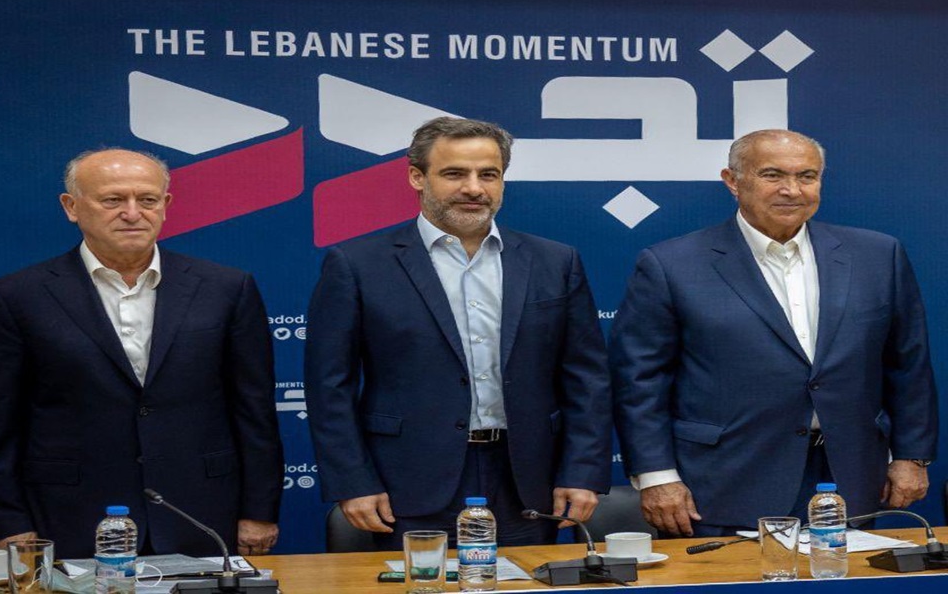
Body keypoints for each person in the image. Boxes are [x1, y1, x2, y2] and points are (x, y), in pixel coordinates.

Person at [609, 129, 938, 537]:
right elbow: (640, 381)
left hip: (851, 479)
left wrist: (911, 456)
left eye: (806, 176)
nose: (792, 190)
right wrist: (657, 476)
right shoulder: (671, 265)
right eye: (772, 175)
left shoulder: (877, 255)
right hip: (723, 484)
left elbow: (908, 365)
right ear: (732, 181)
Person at [305, 117, 612, 549]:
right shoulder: (358, 264)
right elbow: (329, 386)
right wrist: (352, 480)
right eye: (454, 174)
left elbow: (586, 379)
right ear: (417, 177)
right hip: (406, 483)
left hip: (527, 480)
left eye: (488, 174)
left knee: (526, 582)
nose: (474, 188)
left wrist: (582, 472)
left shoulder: (555, 261)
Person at [0, 149, 284, 558]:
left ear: (165, 205)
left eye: (147, 199)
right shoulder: (15, 297)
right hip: (67, 517)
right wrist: (7, 522)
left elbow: (254, 412)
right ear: (71, 207)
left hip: (200, 513)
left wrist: (259, 511)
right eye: (113, 199)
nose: (132, 213)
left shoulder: (226, 288)